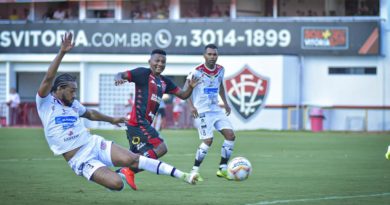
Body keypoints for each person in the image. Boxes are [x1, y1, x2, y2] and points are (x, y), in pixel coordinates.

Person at [36, 32, 199, 192]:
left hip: (94, 143)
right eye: (72, 91)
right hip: (80, 157)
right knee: (117, 184)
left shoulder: (73, 104)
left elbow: (90, 114)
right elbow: (48, 78)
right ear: (60, 89)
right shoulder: (45, 102)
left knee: (134, 159)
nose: (74, 95)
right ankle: (125, 172)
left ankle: (182, 175)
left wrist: (112, 120)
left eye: (75, 91)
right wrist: (62, 52)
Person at [114, 48, 200, 189]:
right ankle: (128, 170)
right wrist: (118, 78)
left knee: (134, 157)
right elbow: (121, 74)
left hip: (138, 126)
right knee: (161, 148)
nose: (160, 63)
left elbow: (183, 95)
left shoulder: (165, 82)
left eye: (163, 61)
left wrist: (190, 87)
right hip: (138, 123)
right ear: (150, 62)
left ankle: (117, 174)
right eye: (157, 60)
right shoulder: (142, 73)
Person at [184, 44, 236, 180]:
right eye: (210, 54)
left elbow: (220, 86)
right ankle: (194, 171)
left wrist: (225, 103)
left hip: (216, 109)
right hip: (202, 111)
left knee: (230, 135)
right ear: (204, 55)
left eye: (215, 54)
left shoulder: (221, 70)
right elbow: (185, 90)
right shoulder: (197, 71)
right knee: (208, 140)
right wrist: (191, 106)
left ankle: (223, 168)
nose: (212, 57)